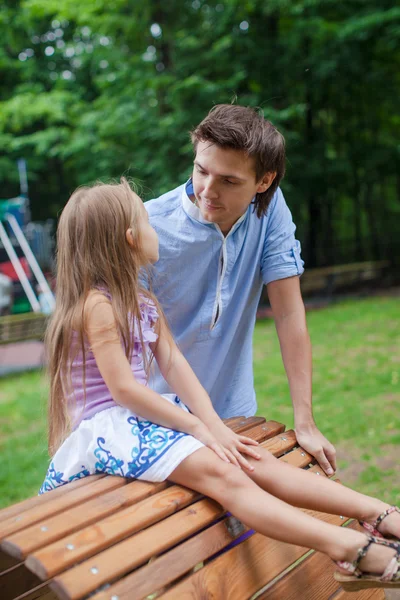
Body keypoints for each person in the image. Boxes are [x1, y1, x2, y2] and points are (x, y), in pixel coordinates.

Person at [40, 179, 400, 591]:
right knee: (225, 475)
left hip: (137, 425)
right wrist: (196, 427)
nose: (156, 230)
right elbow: (123, 390)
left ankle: (381, 514)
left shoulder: (142, 303)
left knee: (248, 458)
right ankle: (350, 548)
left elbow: (175, 365)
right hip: (108, 434)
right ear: (130, 239)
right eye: (148, 224)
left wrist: (212, 424)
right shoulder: (96, 307)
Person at [145, 104, 336, 475]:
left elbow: (288, 312)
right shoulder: (148, 227)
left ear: (264, 182)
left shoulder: (270, 208)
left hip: (235, 413)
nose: (208, 191)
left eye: (229, 181)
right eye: (201, 171)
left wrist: (305, 420)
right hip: (159, 419)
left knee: (246, 528)